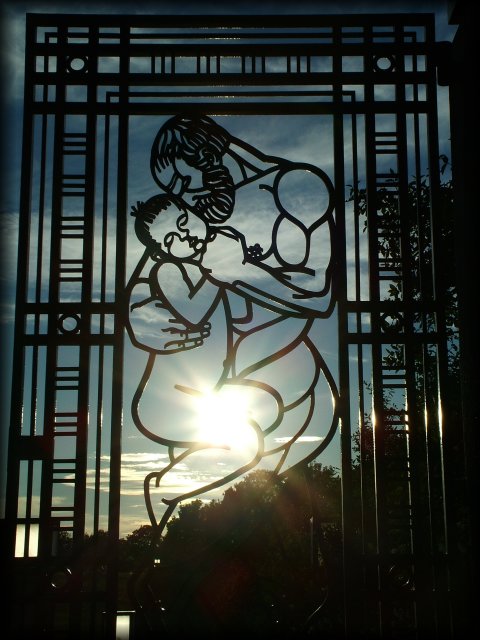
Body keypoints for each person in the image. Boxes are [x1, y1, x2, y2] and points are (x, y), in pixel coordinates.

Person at [125, 115, 339, 535]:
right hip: (212, 370)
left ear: (206, 154)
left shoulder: (294, 188)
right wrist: (139, 319)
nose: (183, 198)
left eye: (184, 183)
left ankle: (190, 518)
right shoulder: (194, 218)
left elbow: (319, 295)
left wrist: (238, 269)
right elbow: (150, 275)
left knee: (276, 484)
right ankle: (196, 543)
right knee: (250, 463)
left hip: (281, 358)